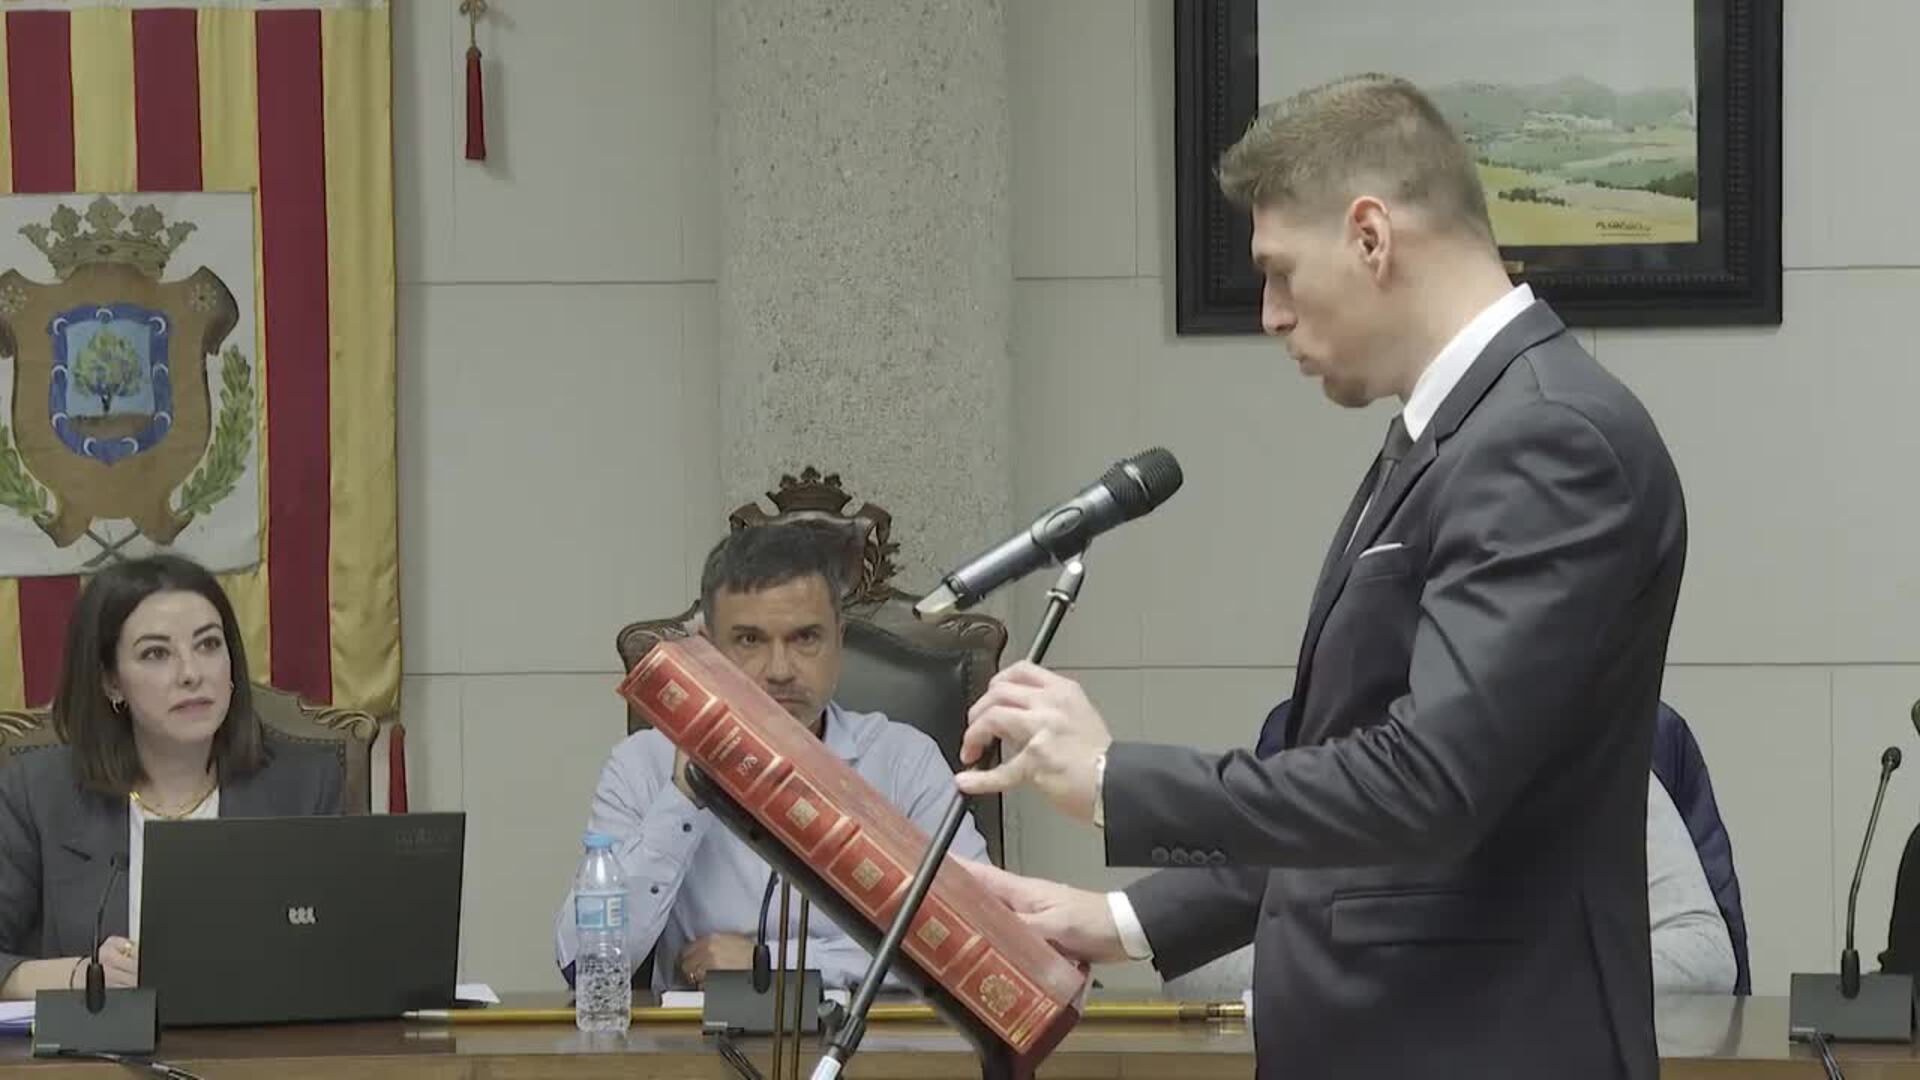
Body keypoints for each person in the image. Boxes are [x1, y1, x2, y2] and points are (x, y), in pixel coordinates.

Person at [952, 74, 1687, 1078]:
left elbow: (1430, 784)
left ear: (1371, 237)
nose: (1269, 315)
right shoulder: (1462, 432)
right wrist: (1119, 920)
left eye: (1280, 271)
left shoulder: (1546, 437)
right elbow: (1352, 779)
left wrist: (1119, 779)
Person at [555, 524, 986, 993]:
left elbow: (977, 946)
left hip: (868, 1033)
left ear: (839, 641)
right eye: (749, 640)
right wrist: (683, 799)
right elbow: (581, 962)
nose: (780, 671)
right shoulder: (642, 765)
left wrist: (771, 963)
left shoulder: (904, 762)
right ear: (707, 650)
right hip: (695, 1036)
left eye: (805, 638)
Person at [0, 554, 344, 999]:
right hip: (101, 1044)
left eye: (208, 645)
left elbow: (345, 954)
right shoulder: (38, 793)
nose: (191, 673)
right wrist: (85, 976)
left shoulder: (306, 786)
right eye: (156, 654)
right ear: (111, 682)